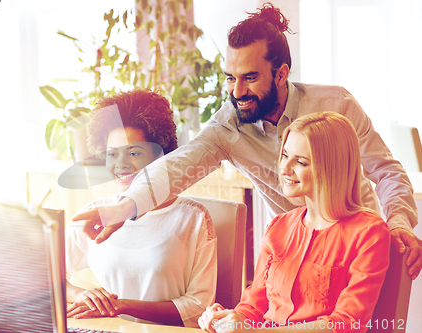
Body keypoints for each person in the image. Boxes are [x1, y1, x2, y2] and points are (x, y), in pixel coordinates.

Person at [73, 2, 422, 279]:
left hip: (361, 250)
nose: (237, 92)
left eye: (250, 78)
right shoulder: (228, 127)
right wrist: (121, 207)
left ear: (282, 73)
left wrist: (399, 223)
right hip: (296, 258)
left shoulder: (336, 105)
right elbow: (177, 166)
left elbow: (386, 171)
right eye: (230, 78)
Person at [198, 112, 391, 333]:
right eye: (285, 155)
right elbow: (253, 306)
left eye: (300, 161)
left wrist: (256, 332)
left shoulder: (369, 233)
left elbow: (347, 323)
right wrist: (228, 320)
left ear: (331, 167)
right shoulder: (278, 226)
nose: (285, 168)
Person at [65, 89, 217, 327]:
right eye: (112, 154)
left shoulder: (193, 218)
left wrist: (122, 306)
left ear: (162, 155)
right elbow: (46, 277)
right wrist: (81, 295)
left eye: (134, 152)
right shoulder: (95, 214)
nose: (121, 164)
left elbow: (199, 306)